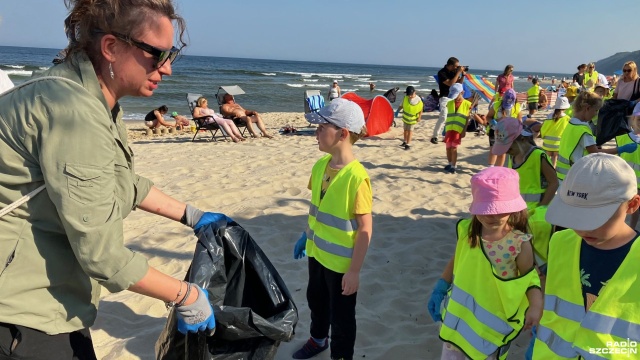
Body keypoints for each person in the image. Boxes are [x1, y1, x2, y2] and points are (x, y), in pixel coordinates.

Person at [0, 1, 225, 358]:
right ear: (111, 47)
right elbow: (101, 254)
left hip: (50, 297)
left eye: (173, 55)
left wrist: (192, 215)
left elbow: (121, 181)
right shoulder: (72, 110)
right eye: (157, 55)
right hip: (22, 311)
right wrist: (185, 295)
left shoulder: (96, 98)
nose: (166, 69)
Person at [427, 167, 542, 359]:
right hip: (457, 321)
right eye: (486, 209)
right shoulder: (467, 231)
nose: (492, 216)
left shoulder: (518, 242)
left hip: (491, 331)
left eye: (500, 211)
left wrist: (536, 306)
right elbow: (457, 258)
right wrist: (441, 285)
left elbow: (530, 278)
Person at [532, 153, 640, 358]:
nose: (582, 228)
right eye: (574, 216)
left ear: (632, 205)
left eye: (594, 218)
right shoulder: (560, 242)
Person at [292, 98, 373, 360]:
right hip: (316, 253)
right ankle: (318, 340)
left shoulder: (357, 177)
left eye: (320, 128)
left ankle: (340, 355)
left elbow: (364, 230)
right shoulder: (319, 167)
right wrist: (305, 236)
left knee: (342, 317)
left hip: (341, 265)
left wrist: (354, 271)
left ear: (342, 133)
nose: (315, 133)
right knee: (316, 301)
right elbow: (317, 210)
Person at [492, 117, 558, 266]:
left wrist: (542, 206)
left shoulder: (537, 155)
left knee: (537, 253)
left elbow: (553, 183)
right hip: (518, 211)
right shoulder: (513, 156)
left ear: (521, 139)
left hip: (536, 214)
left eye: (509, 147)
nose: (507, 151)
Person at [556, 91, 637, 182]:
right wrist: (620, 149)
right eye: (596, 110)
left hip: (562, 173)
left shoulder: (571, 123)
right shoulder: (583, 131)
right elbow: (595, 153)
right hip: (575, 176)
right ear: (587, 108)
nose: (596, 114)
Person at [432, 57, 465, 144]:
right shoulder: (441, 72)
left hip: (454, 97)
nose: (457, 68)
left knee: (452, 118)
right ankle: (435, 136)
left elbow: (459, 83)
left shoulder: (454, 72)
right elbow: (450, 83)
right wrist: (458, 72)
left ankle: (446, 135)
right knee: (443, 116)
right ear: (450, 65)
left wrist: (463, 75)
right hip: (445, 97)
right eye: (456, 66)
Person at [486, 89, 522, 167]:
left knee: (502, 152)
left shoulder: (517, 107)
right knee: (493, 150)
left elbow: (519, 122)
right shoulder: (496, 105)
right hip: (494, 130)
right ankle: (490, 168)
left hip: (507, 133)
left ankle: (498, 170)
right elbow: (488, 117)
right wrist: (493, 122)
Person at [442, 84, 469, 174]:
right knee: (448, 147)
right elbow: (446, 116)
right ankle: (449, 163)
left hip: (458, 129)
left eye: (457, 95)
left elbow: (467, 119)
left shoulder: (467, 104)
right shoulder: (449, 103)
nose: (456, 98)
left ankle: (453, 165)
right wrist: (444, 129)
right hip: (449, 128)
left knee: (454, 148)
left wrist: (464, 130)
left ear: (462, 92)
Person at [540, 96, 571, 167]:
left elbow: (544, 128)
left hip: (547, 142)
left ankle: (545, 171)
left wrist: (542, 135)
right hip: (558, 143)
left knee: (547, 158)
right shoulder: (567, 118)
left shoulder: (550, 116)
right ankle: (553, 171)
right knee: (555, 158)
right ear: (566, 107)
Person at [395, 86, 423, 150]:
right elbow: (401, 105)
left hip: (413, 119)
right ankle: (405, 141)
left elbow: (421, 109)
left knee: (410, 131)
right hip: (405, 118)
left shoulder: (418, 100)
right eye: (408, 95)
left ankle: (408, 144)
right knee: (405, 130)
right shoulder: (405, 98)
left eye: (411, 95)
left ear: (414, 92)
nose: (410, 96)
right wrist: (397, 111)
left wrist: (419, 117)